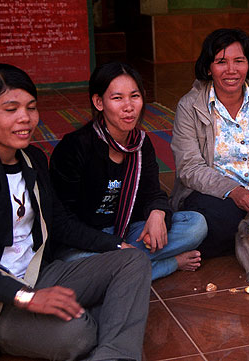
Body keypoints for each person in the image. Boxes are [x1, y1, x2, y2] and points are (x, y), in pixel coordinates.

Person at [0, 63, 151, 360]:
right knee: (79, 334)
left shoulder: (33, 159)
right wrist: (26, 297)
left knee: (133, 261)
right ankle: (102, 321)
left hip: (41, 274)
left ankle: (114, 355)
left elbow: (59, 222)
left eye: (31, 107)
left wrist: (115, 245)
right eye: (10, 109)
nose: (25, 119)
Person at [49, 61, 207, 280]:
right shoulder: (75, 147)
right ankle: (166, 265)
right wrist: (115, 245)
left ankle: (119, 269)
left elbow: (153, 193)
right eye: (117, 98)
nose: (128, 106)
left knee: (195, 225)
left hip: (129, 231)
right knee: (73, 265)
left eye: (134, 96)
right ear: (98, 102)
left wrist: (157, 213)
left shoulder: (142, 144)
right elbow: (62, 222)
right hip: (85, 240)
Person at [170, 28, 249, 258]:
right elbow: (189, 167)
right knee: (218, 220)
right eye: (221, 62)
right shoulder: (189, 106)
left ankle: (242, 242)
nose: (231, 70)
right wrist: (232, 190)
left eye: (239, 60)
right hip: (213, 194)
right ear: (209, 67)